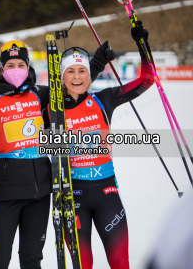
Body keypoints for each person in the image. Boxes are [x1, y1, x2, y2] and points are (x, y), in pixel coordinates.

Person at [0, 38, 114, 268]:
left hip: (39, 193)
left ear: (28, 66)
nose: (16, 70)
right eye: (10, 65)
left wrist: (98, 63)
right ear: (1, 69)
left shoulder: (41, 94)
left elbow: (73, 82)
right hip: (4, 192)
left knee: (32, 260)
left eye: (21, 65)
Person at [47, 20, 154, 269]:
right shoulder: (50, 108)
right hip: (72, 195)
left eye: (82, 71)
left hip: (107, 193)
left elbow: (147, 80)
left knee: (119, 263)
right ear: (61, 76)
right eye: (70, 71)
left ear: (90, 74)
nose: (76, 76)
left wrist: (142, 44)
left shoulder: (104, 100)